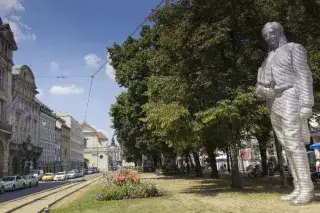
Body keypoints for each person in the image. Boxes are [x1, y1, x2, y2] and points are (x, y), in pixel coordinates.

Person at [255, 22, 314, 205]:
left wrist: (306, 104)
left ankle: (307, 188)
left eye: (271, 34)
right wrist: (262, 91)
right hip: (273, 102)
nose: (268, 38)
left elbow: (304, 75)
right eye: (265, 36)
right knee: (286, 146)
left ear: (280, 32)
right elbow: (258, 85)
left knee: (294, 143)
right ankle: (298, 187)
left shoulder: (293, 48)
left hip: (290, 95)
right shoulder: (268, 58)